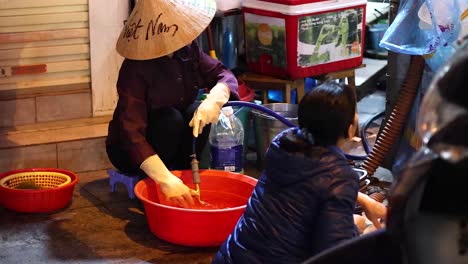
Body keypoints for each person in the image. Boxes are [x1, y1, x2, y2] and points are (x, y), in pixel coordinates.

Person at [213, 81, 385, 263]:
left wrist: (365, 200)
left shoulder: (281, 144)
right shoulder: (340, 176)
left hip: (231, 257)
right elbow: (335, 254)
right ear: (350, 128)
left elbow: (312, 185)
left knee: (356, 222)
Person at [106, 0, 239, 208]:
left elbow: (223, 74)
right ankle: (158, 180)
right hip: (133, 148)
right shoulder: (134, 69)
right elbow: (131, 133)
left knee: (196, 111)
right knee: (170, 119)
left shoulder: (188, 50)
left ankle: (183, 172)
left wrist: (217, 97)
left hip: (175, 139)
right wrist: (164, 179)